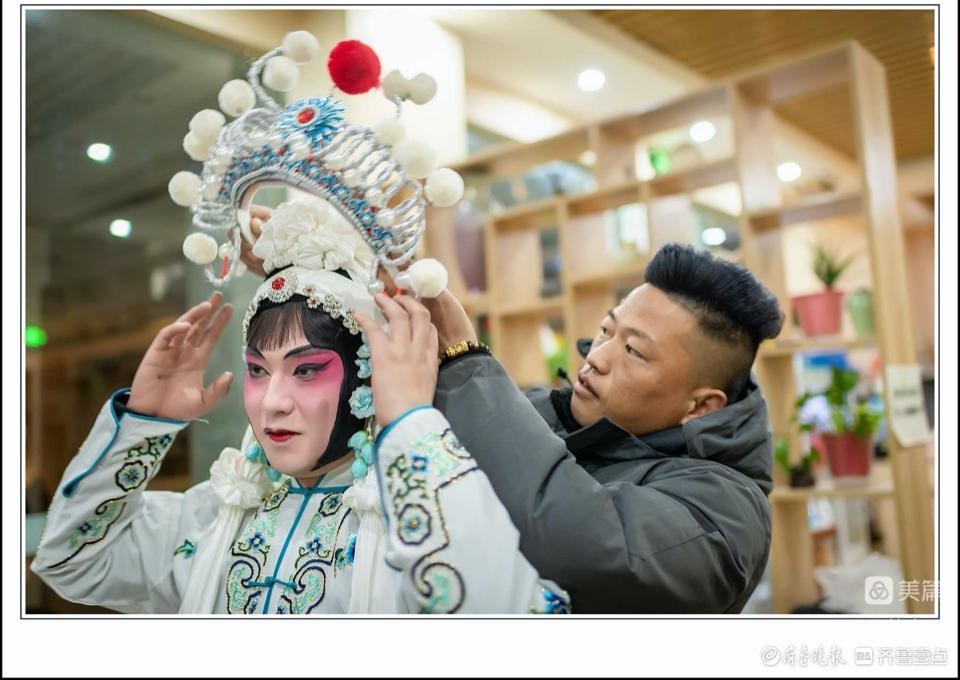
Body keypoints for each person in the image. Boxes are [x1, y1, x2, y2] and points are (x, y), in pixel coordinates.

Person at [30, 197, 571, 615]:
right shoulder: (218, 515)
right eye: (257, 370)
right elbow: (72, 558)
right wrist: (145, 425)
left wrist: (409, 420)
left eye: (307, 370)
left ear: (368, 376)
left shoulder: (412, 521)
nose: (273, 403)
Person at [245, 235, 783, 613]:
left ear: (701, 406)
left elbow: (580, 544)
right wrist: (313, 273)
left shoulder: (726, 513)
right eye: (606, 331)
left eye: (635, 353)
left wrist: (462, 357)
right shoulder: (545, 414)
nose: (596, 357)